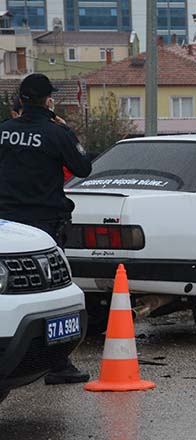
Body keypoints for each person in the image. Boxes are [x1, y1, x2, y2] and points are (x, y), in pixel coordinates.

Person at [0, 73, 92, 384]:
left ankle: (19, 360)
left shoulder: (4, 132)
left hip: (7, 228)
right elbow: (83, 167)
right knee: (50, 295)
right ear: (48, 100)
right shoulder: (56, 133)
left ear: (22, 100)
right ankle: (56, 363)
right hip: (44, 228)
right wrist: (67, 131)